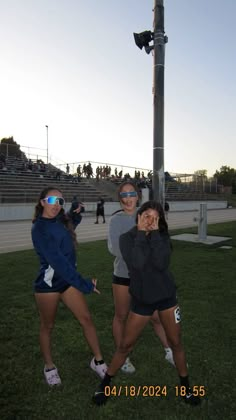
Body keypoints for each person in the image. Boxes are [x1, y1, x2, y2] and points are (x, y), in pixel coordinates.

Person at [93, 200, 201, 406]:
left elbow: (161, 264)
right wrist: (142, 234)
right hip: (142, 300)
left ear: (160, 220)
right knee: (125, 345)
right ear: (138, 217)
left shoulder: (162, 237)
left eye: (155, 217)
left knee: (176, 342)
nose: (150, 220)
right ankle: (105, 385)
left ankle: (185, 388)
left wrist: (155, 235)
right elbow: (138, 264)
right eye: (146, 216)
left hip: (167, 298)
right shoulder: (127, 238)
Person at [31, 186, 107, 386]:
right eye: (51, 201)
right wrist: (84, 284)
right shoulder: (39, 228)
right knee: (47, 326)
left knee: (86, 319)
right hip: (48, 285)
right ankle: (49, 366)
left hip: (67, 281)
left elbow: (69, 225)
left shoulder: (61, 220)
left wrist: (76, 213)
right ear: (42, 202)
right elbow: (58, 263)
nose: (56, 205)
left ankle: (98, 361)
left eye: (60, 202)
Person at [108, 181, 174, 374]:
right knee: (121, 316)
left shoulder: (149, 215)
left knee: (155, 316)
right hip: (124, 275)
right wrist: (138, 256)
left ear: (138, 196)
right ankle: (124, 357)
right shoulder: (116, 220)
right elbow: (114, 248)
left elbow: (159, 243)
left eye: (131, 194)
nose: (128, 199)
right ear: (119, 199)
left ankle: (169, 350)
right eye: (124, 195)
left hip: (148, 277)